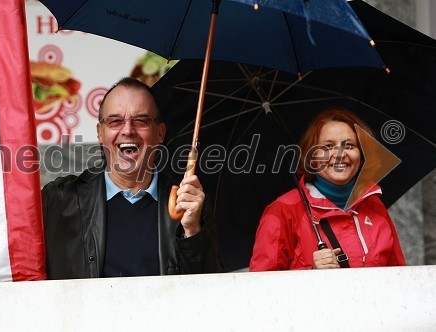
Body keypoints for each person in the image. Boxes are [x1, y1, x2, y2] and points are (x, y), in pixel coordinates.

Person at [42, 77, 222, 279]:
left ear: (160, 133)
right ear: (100, 133)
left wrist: (192, 232)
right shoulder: (58, 201)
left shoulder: (189, 204)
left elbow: (209, 295)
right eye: (115, 121)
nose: (128, 130)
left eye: (141, 121)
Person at [250, 107, 405, 270]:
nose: (339, 154)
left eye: (349, 145)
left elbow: (399, 277)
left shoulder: (374, 205)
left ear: (362, 154)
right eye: (328, 146)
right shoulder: (283, 211)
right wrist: (311, 273)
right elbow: (262, 289)